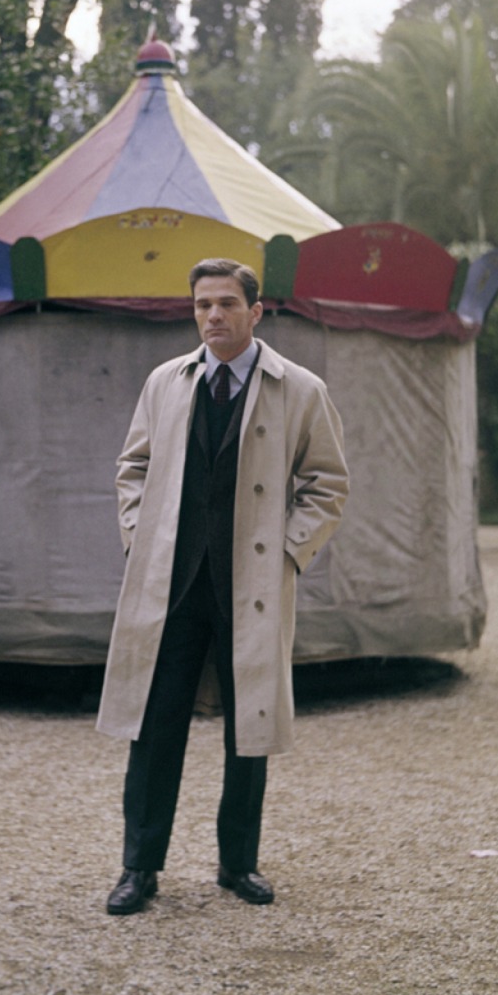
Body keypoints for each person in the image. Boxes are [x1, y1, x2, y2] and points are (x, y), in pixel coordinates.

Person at [97, 258, 349, 914]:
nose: (214, 315)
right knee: (154, 729)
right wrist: (139, 537)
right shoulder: (166, 383)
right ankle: (139, 867)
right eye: (203, 303)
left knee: (250, 727)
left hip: (252, 589)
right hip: (172, 587)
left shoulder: (300, 388)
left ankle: (239, 864)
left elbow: (328, 484)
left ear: (256, 311)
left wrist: (289, 556)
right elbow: (133, 467)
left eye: (227, 303)